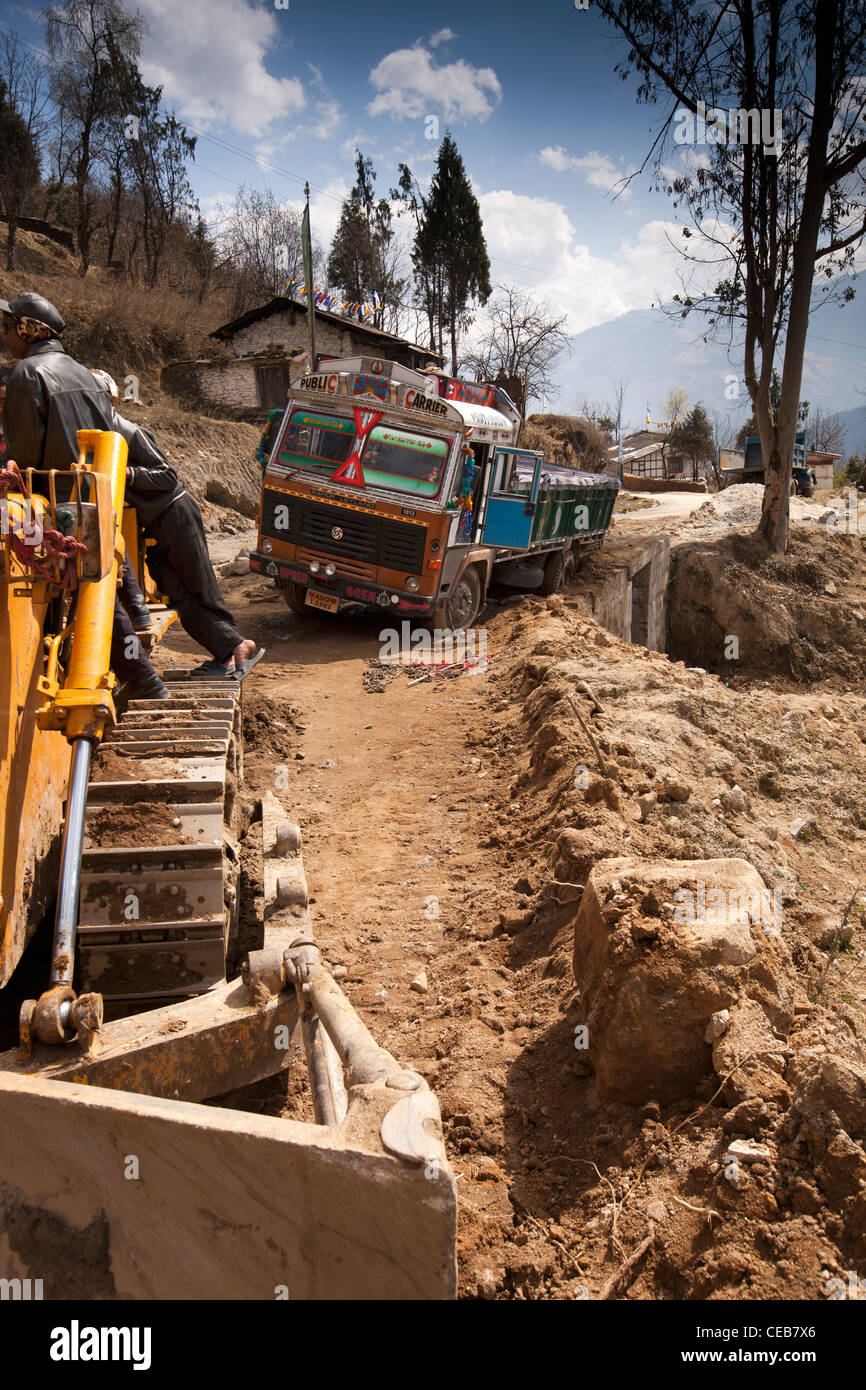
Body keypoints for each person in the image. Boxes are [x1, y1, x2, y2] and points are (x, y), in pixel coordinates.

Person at [0, 291, 169, 702]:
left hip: (48, 508)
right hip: (93, 499)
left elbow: (20, 461)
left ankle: (143, 679)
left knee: (79, 598)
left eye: (9, 328)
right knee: (97, 592)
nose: (5, 337)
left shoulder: (26, 375)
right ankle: (140, 674)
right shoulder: (89, 378)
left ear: (27, 329)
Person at [88, 366, 264, 680]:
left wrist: (127, 473)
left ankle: (237, 648)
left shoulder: (128, 432)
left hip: (175, 513)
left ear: (111, 400)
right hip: (152, 526)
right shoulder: (91, 439)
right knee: (173, 592)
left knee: (201, 587)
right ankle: (227, 649)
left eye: (97, 397)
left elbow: (167, 475)